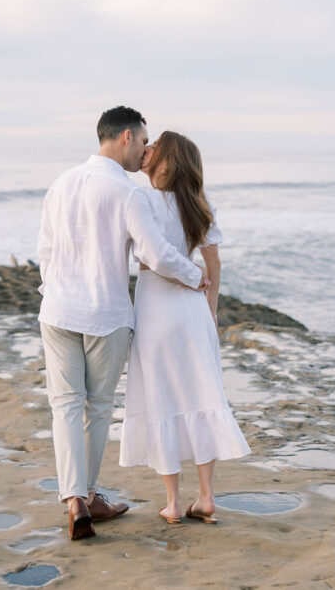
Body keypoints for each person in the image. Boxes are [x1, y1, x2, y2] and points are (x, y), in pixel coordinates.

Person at [37, 107, 210, 541]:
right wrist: (196, 277)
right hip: (104, 315)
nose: (146, 153)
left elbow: (45, 250)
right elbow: (156, 254)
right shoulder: (126, 193)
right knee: (96, 407)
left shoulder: (60, 183)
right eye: (144, 142)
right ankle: (86, 496)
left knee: (65, 406)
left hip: (56, 311)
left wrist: (53, 290)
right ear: (127, 137)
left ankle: (75, 500)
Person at [119, 130, 250, 524]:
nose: (147, 149)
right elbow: (214, 265)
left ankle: (174, 503)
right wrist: (210, 314)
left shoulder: (141, 198)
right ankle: (207, 496)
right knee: (201, 394)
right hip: (194, 310)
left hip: (157, 304)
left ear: (167, 158)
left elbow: (153, 257)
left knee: (161, 397)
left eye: (154, 144)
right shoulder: (199, 203)